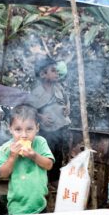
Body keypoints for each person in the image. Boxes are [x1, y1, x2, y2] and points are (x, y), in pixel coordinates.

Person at [0, 104, 55, 215]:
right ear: (10, 129)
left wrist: (34, 156)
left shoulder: (40, 142)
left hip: (39, 203)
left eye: (29, 129)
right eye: (18, 130)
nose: (24, 135)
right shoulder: (7, 148)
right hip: (17, 206)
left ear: (37, 128)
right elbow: (3, 173)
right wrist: (12, 157)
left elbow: (49, 165)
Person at [29, 57, 71, 186]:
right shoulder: (36, 92)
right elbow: (29, 110)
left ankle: (55, 179)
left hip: (61, 125)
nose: (57, 73)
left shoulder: (59, 87)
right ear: (43, 74)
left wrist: (67, 108)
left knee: (59, 153)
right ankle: (45, 178)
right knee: (48, 152)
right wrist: (41, 117)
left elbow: (66, 100)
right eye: (53, 71)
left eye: (57, 71)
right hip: (46, 130)